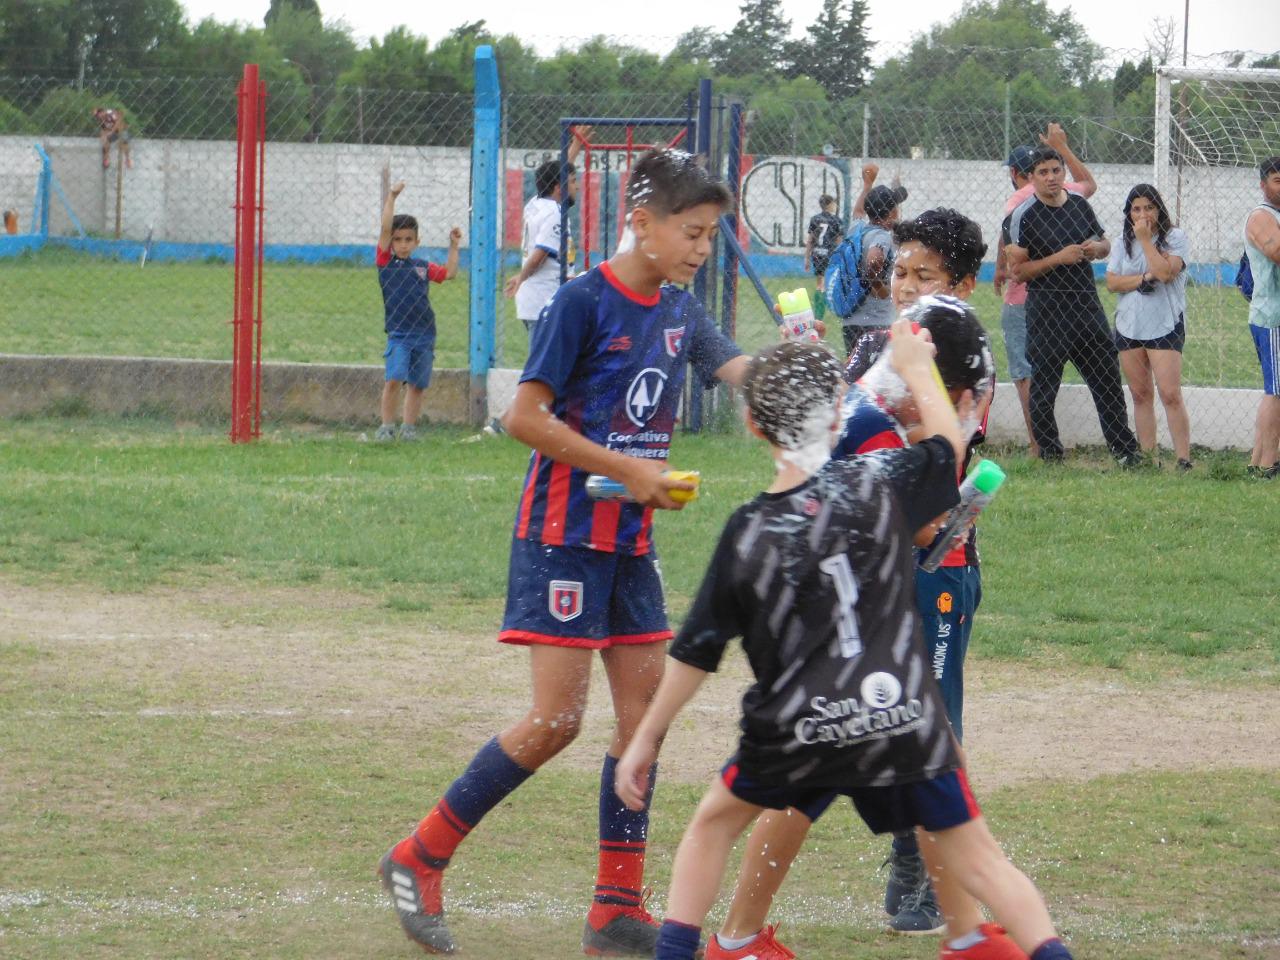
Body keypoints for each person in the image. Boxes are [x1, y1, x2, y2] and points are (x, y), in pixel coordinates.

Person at [377, 149, 751, 957]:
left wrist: (820, 365)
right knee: (556, 722)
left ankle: (615, 906)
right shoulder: (582, 302)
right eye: (691, 232)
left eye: (710, 235)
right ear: (642, 224)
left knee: (644, 726)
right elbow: (524, 417)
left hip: (630, 544)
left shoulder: (680, 308)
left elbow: (741, 369)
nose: (701, 248)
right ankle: (419, 854)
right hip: (563, 538)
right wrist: (630, 470)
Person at [617, 333, 1077, 960]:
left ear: (753, 425)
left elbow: (697, 651)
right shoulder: (880, 480)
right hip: (900, 716)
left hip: (799, 725)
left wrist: (646, 739)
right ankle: (1005, 942)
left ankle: (692, 948)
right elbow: (948, 447)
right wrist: (917, 367)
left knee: (710, 828)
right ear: (839, 415)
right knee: (984, 863)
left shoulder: (748, 531)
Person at [709, 212, 998, 957]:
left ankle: (937, 904)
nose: (905, 288)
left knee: (915, 744)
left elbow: (928, 474)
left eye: (925, 277)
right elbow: (850, 449)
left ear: (964, 287)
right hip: (864, 580)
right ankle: (958, 922)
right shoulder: (881, 353)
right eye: (899, 272)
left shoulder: (957, 355)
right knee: (877, 754)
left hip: (926, 574)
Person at [1002, 147, 1140, 464]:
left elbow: (1105, 243)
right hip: (1047, 312)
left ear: (1063, 172)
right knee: (1045, 386)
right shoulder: (1022, 215)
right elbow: (1018, 271)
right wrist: (1057, 259)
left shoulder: (1079, 204)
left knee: (1107, 378)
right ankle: (1050, 454)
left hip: (1086, 307)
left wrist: (1096, 249)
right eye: (1043, 172)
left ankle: (1124, 451)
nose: (1051, 178)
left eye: (1056, 170)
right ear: (1031, 178)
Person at [995, 124, 1098, 457]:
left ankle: (1038, 443)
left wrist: (1000, 268)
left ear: (1015, 173)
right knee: (1063, 372)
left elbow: (1009, 240)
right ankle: (1048, 443)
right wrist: (1063, 147)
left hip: (1025, 299)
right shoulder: (1066, 192)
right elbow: (1089, 184)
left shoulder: (1018, 199)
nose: (1050, 176)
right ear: (1035, 172)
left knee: (1028, 375)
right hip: (1068, 299)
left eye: (1054, 170)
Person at [1104, 184, 1193, 469]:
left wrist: (1145, 240)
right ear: (1129, 213)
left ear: (1159, 210)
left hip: (1164, 323)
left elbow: (1166, 273)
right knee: (1140, 394)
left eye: (1149, 208)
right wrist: (1143, 278)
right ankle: (1148, 458)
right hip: (1129, 325)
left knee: (1170, 393)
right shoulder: (1121, 242)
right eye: (1137, 209)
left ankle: (1183, 459)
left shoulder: (1175, 238)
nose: (1143, 215)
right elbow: (1112, 282)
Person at [373, 181, 461, 442]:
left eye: (408, 240)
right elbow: (385, 227)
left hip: (425, 333)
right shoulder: (385, 263)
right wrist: (392, 197)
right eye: (397, 239)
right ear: (390, 242)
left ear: (417, 241)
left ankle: (409, 428)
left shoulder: (422, 266)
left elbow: (449, 273)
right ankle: (386, 427)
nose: (403, 244)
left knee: (417, 384)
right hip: (399, 334)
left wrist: (454, 246)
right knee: (394, 379)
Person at [503, 129, 591, 332]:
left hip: (537, 302)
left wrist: (576, 145)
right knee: (545, 354)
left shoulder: (536, 203)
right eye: (573, 182)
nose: (577, 187)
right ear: (559, 188)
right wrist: (521, 277)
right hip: (544, 303)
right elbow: (540, 255)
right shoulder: (554, 214)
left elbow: (559, 173)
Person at [835, 168, 908, 355]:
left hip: (851, 322)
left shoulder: (856, 229)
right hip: (877, 323)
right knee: (876, 371)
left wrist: (867, 185)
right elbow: (874, 260)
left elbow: (858, 210)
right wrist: (879, 287)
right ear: (892, 212)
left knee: (854, 369)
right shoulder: (882, 236)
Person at [1244, 156, 1280, 479]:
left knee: (1275, 389)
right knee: (1277, 391)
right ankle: (1270, 464)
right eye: (1278, 181)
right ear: (1263, 185)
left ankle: (1257, 462)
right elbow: (1277, 252)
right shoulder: (1261, 216)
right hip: (1273, 318)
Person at [803, 193, 843, 322]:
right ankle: (828, 308)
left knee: (819, 283)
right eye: (834, 203)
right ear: (830, 205)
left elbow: (810, 240)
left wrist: (807, 258)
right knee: (829, 282)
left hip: (817, 253)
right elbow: (839, 242)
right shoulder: (836, 221)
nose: (835, 205)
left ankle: (818, 313)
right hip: (830, 254)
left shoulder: (815, 219)